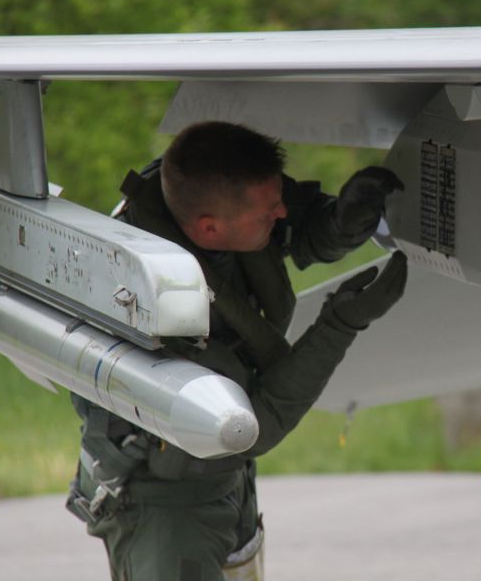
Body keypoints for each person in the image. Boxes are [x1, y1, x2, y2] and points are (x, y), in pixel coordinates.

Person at [66, 121, 407, 580]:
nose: (282, 211)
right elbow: (246, 424)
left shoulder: (199, 201)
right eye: (270, 211)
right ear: (209, 229)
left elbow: (290, 227)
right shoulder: (148, 300)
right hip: (166, 511)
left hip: (222, 483)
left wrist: (340, 224)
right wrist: (341, 323)